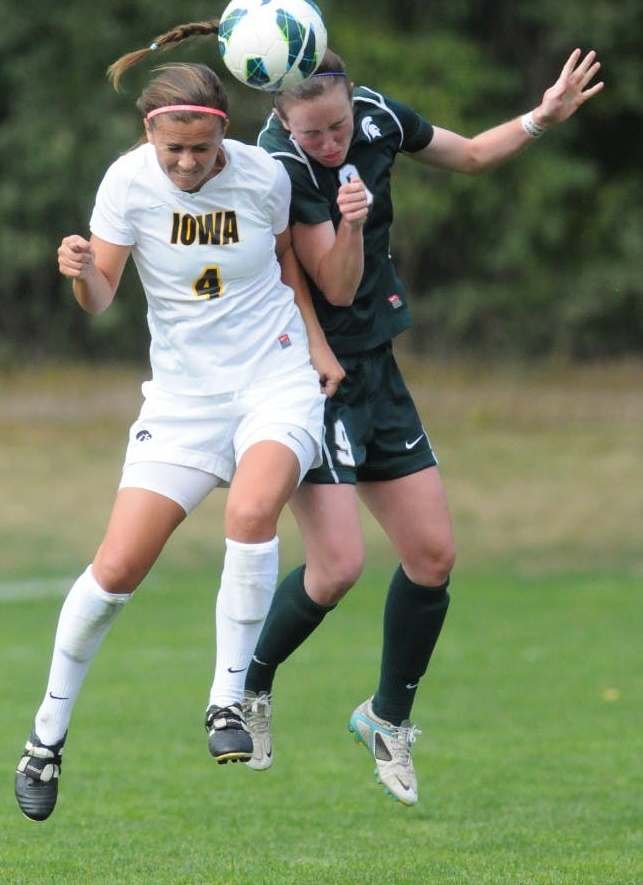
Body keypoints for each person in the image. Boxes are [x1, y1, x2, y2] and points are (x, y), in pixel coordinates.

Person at [237, 45, 604, 806]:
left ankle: (385, 719)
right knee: (336, 569)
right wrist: (349, 219)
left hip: (376, 370)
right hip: (311, 376)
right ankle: (245, 687)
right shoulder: (278, 167)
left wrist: (540, 117)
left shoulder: (373, 114)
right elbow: (334, 286)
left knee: (433, 557)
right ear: (280, 120)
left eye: (335, 126)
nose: (330, 143)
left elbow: (468, 155)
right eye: (312, 133)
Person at [14, 49, 342, 821]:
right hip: (185, 399)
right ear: (150, 138)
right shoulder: (126, 182)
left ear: (224, 134)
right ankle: (45, 738)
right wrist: (78, 271)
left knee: (251, 514)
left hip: (274, 379)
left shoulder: (264, 174)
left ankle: (226, 701)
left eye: (202, 149)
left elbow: (287, 265)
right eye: (175, 151)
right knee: (117, 567)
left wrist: (318, 347)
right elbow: (100, 297)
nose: (189, 163)